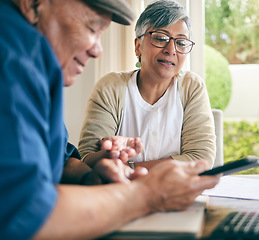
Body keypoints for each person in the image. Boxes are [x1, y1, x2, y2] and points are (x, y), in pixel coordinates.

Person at [0, 0, 220, 239]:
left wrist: (93, 177)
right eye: (92, 28)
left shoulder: (40, 74)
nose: (97, 50)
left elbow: (62, 159)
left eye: (181, 42)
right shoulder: (12, 59)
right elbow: (24, 213)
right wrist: (145, 195)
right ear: (33, 4)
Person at [78, 0, 216, 170]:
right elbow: (87, 157)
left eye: (181, 42)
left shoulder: (192, 87)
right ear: (138, 47)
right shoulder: (110, 87)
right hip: (121, 194)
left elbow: (201, 159)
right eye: (160, 38)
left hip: (174, 194)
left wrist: (128, 167)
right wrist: (110, 154)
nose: (171, 49)